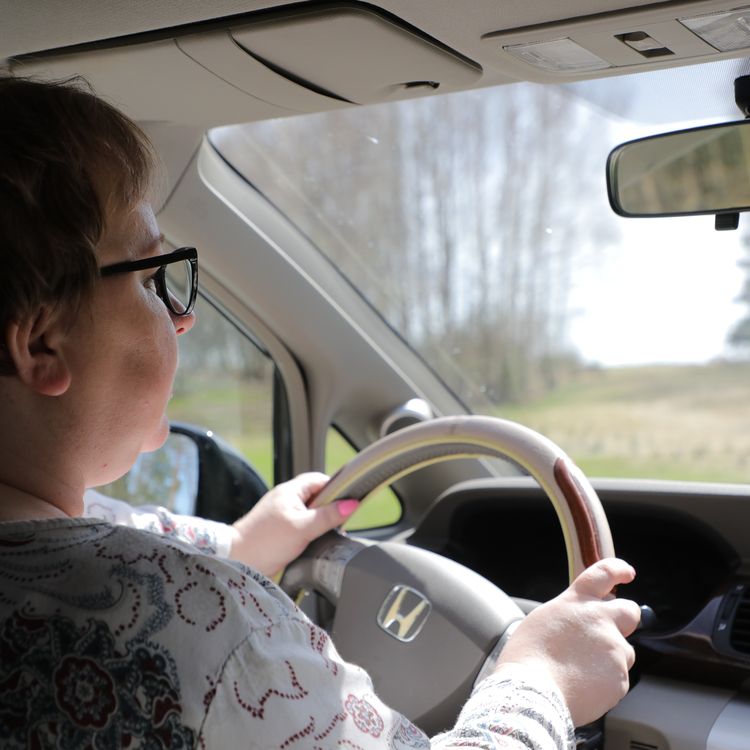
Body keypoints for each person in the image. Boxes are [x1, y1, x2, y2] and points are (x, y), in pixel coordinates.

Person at [0, 75, 641, 749]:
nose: (183, 319)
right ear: (42, 342)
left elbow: (98, 526)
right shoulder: (215, 630)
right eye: (150, 277)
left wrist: (242, 545)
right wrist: (540, 680)